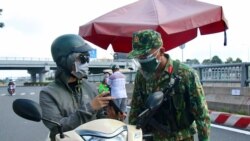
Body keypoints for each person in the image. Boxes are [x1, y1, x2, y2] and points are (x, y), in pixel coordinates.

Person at [128, 29, 210, 141]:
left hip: (180, 137)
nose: (142, 62)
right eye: (139, 58)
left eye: (145, 56)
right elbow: (135, 109)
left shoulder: (186, 74)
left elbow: (202, 115)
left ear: (161, 52)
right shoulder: (141, 75)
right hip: (151, 137)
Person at [39, 34, 113, 141]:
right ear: (64, 60)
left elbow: (101, 119)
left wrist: (112, 116)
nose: (86, 63)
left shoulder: (90, 87)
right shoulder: (48, 94)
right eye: (82, 58)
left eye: (88, 58)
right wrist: (90, 108)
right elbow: (57, 129)